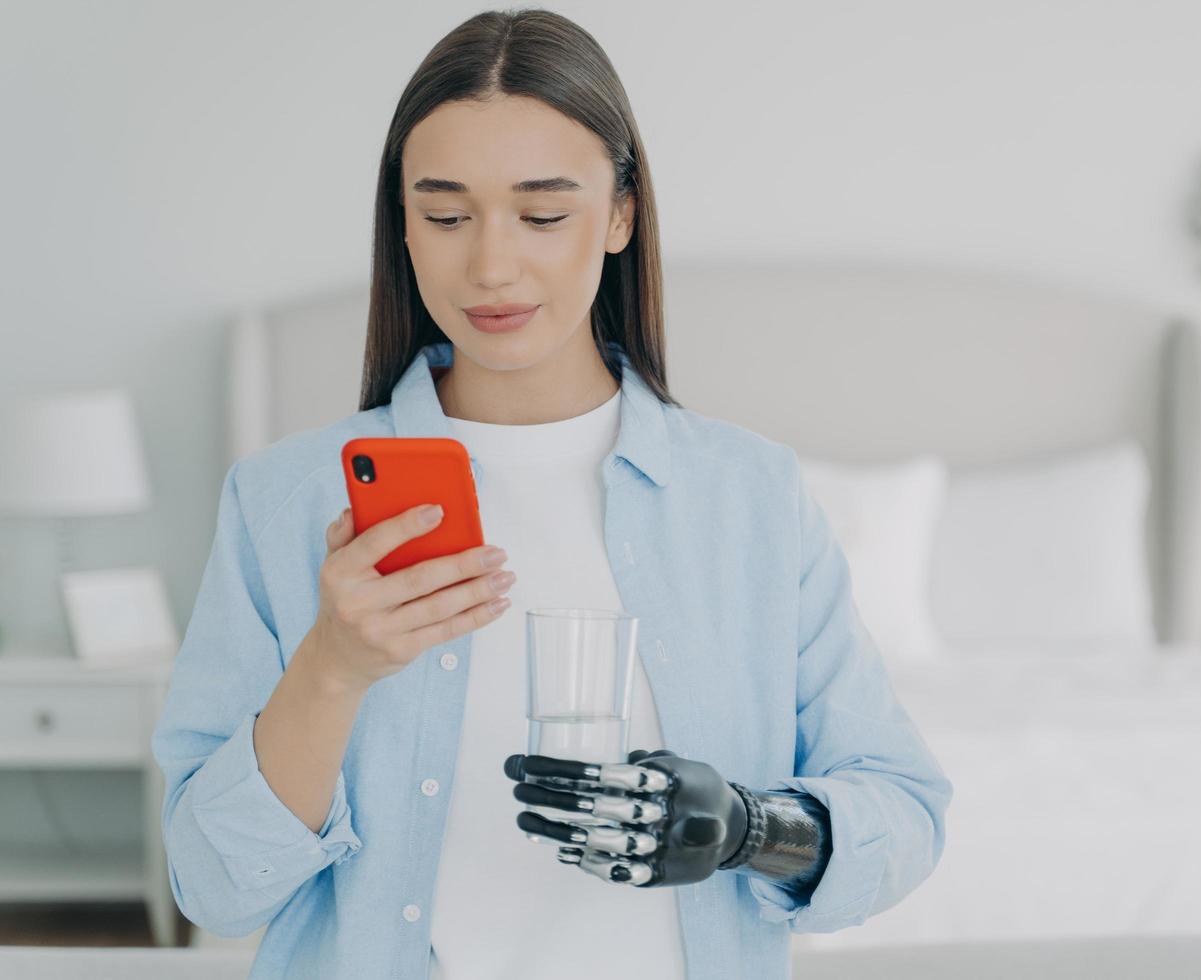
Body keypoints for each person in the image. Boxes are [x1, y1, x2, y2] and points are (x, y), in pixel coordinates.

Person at [150, 9, 951, 980]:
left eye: (542, 212)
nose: (490, 263)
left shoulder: (751, 498)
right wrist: (332, 666)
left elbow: (903, 809)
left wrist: (748, 827)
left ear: (620, 214)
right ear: (401, 221)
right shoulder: (284, 500)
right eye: (445, 214)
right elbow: (213, 887)